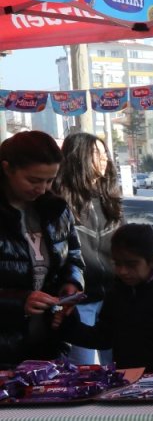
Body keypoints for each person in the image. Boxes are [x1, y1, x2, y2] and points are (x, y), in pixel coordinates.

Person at [59, 223, 153, 373]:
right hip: (128, 386)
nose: (122, 271)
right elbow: (103, 337)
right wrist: (67, 322)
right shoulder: (117, 293)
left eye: (131, 264)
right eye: (117, 264)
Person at [0, 130, 84, 366]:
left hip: (48, 345)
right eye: (34, 180)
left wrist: (72, 284)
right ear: (7, 168)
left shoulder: (55, 209)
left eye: (50, 180)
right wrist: (18, 302)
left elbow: (74, 257)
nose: (43, 189)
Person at [55, 132, 122, 366]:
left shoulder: (109, 200)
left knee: (117, 369)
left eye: (105, 154)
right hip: (77, 302)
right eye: (96, 154)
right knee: (79, 371)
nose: (104, 160)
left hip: (112, 300)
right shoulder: (59, 203)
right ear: (78, 158)